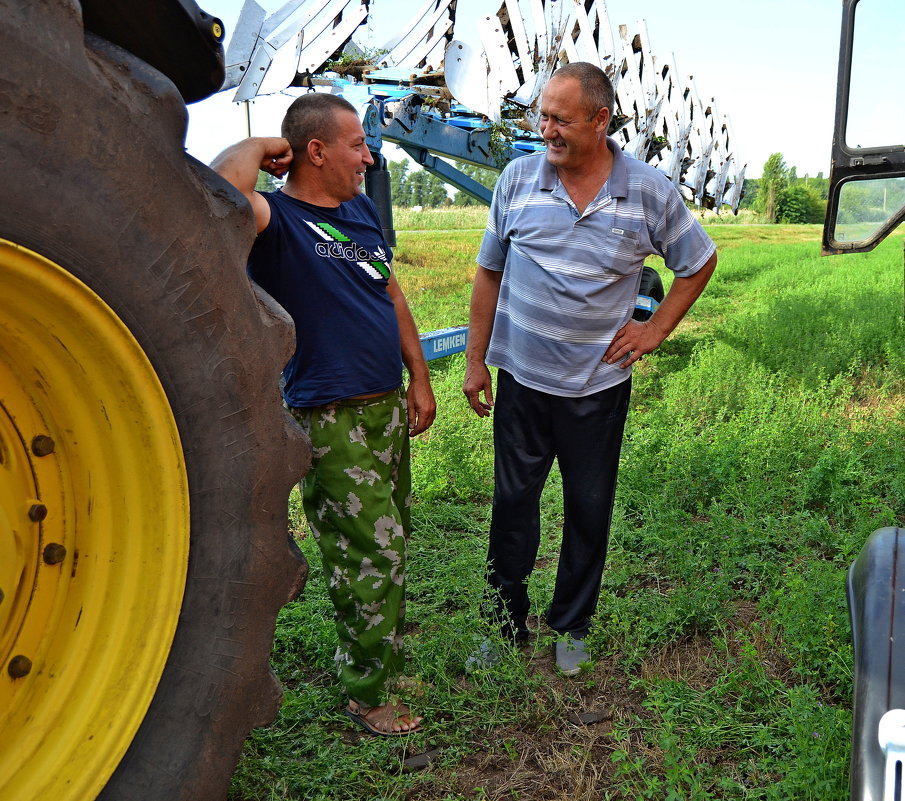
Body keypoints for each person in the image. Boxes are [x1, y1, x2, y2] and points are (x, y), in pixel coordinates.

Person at [462, 62, 717, 676]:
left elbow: (698, 261)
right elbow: (489, 271)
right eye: (542, 115)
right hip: (522, 380)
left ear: (601, 121)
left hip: (595, 390)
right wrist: (476, 361)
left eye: (560, 119)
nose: (545, 129)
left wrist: (655, 328)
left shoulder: (647, 192)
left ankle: (571, 626)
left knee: (588, 506)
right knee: (513, 505)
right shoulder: (518, 181)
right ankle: (504, 625)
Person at [213, 93, 436, 734]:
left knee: (390, 541)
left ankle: (381, 663)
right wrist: (258, 147)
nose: (368, 156)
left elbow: (389, 293)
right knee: (373, 554)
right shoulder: (274, 218)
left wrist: (418, 377)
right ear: (316, 151)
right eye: (357, 144)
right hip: (329, 416)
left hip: (385, 406)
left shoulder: (359, 211)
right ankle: (368, 698)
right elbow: (217, 195)